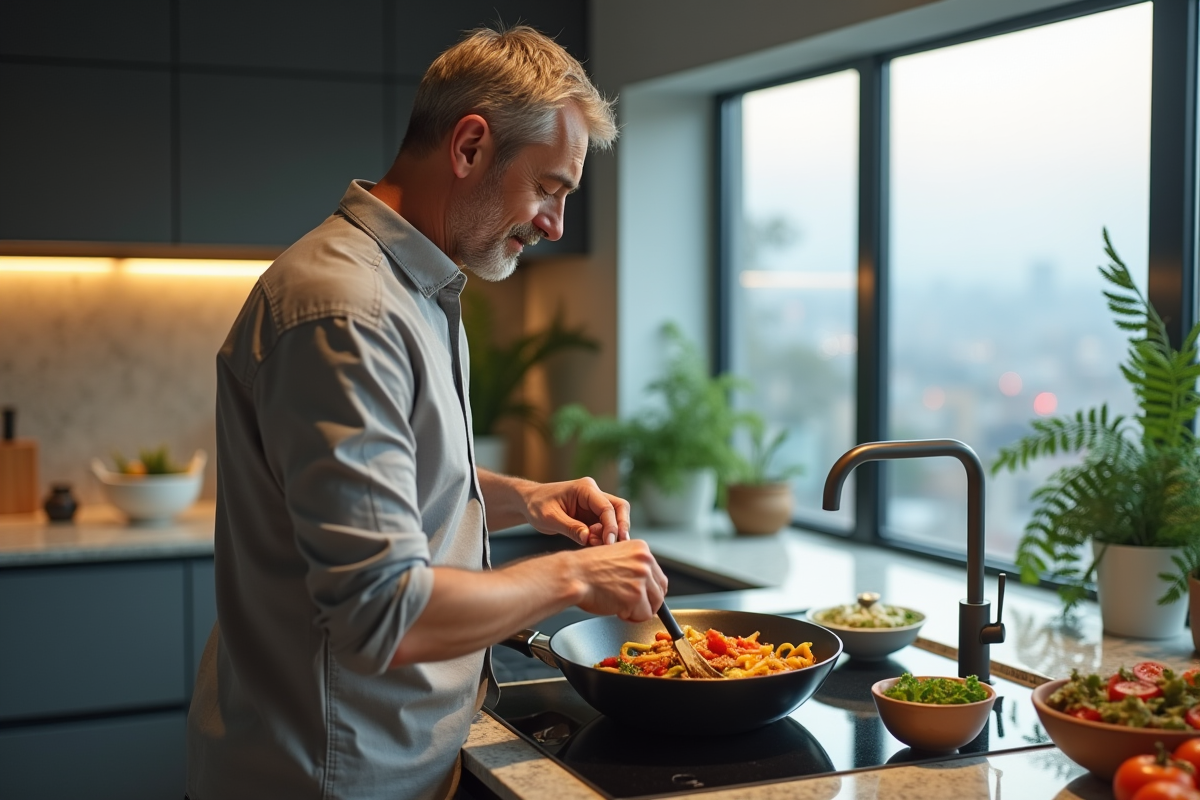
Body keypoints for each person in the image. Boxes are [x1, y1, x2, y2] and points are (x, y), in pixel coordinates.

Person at [185, 25, 668, 800]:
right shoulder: (346, 310)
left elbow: (396, 483)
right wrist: (576, 577)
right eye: (549, 187)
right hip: (332, 778)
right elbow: (385, 613)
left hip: (400, 762)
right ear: (470, 146)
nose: (554, 223)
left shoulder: (416, 288)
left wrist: (529, 501)